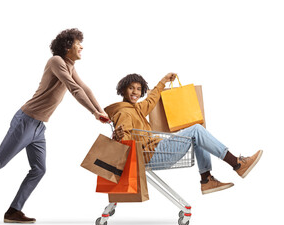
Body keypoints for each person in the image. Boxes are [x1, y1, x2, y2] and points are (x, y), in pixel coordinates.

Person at [0, 28, 108, 223]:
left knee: (39, 169)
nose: (82, 46)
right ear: (67, 46)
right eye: (78, 43)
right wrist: (94, 113)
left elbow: (84, 87)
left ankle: (13, 211)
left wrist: (101, 110)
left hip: (39, 127)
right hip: (26, 121)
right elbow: (74, 89)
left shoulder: (70, 66)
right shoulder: (56, 61)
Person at [107, 73, 263, 194]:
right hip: (152, 154)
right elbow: (125, 143)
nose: (135, 92)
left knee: (197, 134)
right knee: (196, 130)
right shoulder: (124, 113)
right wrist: (118, 136)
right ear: (122, 90)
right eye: (131, 88)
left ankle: (206, 180)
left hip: (155, 150)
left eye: (139, 89)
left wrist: (163, 81)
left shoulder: (136, 109)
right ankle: (237, 164)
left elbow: (151, 100)